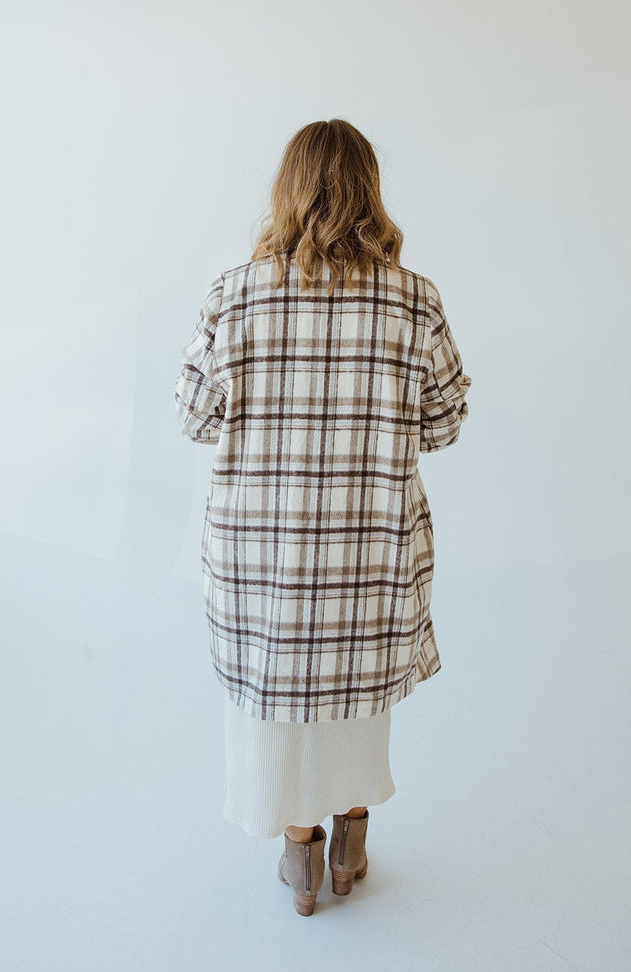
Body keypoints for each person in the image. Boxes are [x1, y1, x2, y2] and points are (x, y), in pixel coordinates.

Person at [173, 118, 472, 916]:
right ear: (368, 190)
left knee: (278, 704)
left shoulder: (234, 293)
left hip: (262, 563)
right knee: (356, 697)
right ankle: (351, 843)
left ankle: (300, 857)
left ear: (288, 188)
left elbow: (195, 419)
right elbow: (443, 424)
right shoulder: (414, 300)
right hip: (368, 551)